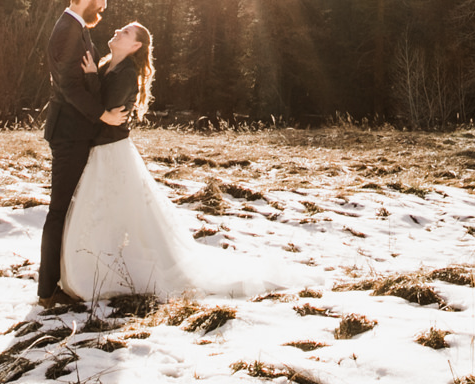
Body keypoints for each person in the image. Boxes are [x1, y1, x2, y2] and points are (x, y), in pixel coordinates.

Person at [59, 21, 306, 301]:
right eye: (120, 29)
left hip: (111, 152)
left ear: (136, 46)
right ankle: (100, 264)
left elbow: (101, 112)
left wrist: (91, 80)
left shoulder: (125, 74)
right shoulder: (106, 66)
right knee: (109, 213)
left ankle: (111, 271)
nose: (117, 32)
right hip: (101, 152)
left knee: (116, 211)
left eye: (125, 32)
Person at [38, 0, 126, 307]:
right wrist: (103, 115)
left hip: (76, 132)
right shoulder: (67, 31)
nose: (104, 4)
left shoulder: (77, 28)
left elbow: (80, 78)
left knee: (70, 209)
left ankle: (66, 277)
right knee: (58, 211)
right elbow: (68, 87)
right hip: (69, 134)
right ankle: (47, 291)